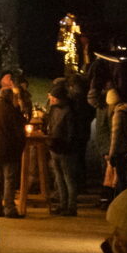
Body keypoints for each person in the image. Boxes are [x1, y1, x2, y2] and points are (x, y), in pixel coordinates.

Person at [0, 87, 27, 218]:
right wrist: (20, 147)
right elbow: (19, 132)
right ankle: (9, 208)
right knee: (9, 179)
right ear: (9, 97)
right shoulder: (11, 111)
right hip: (9, 151)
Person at [44, 81, 78, 216]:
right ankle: (62, 204)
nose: (50, 99)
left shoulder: (69, 112)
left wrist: (66, 144)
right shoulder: (54, 109)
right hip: (54, 147)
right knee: (59, 178)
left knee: (68, 178)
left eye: (53, 97)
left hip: (65, 150)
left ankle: (71, 206)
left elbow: (71, 133)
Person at [107, 88, 127, 196]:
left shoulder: (118, 115)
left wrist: (111, 154)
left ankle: (122, 201)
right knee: (126, 178)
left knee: (122, 179)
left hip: (121, 151)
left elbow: (116, 136)